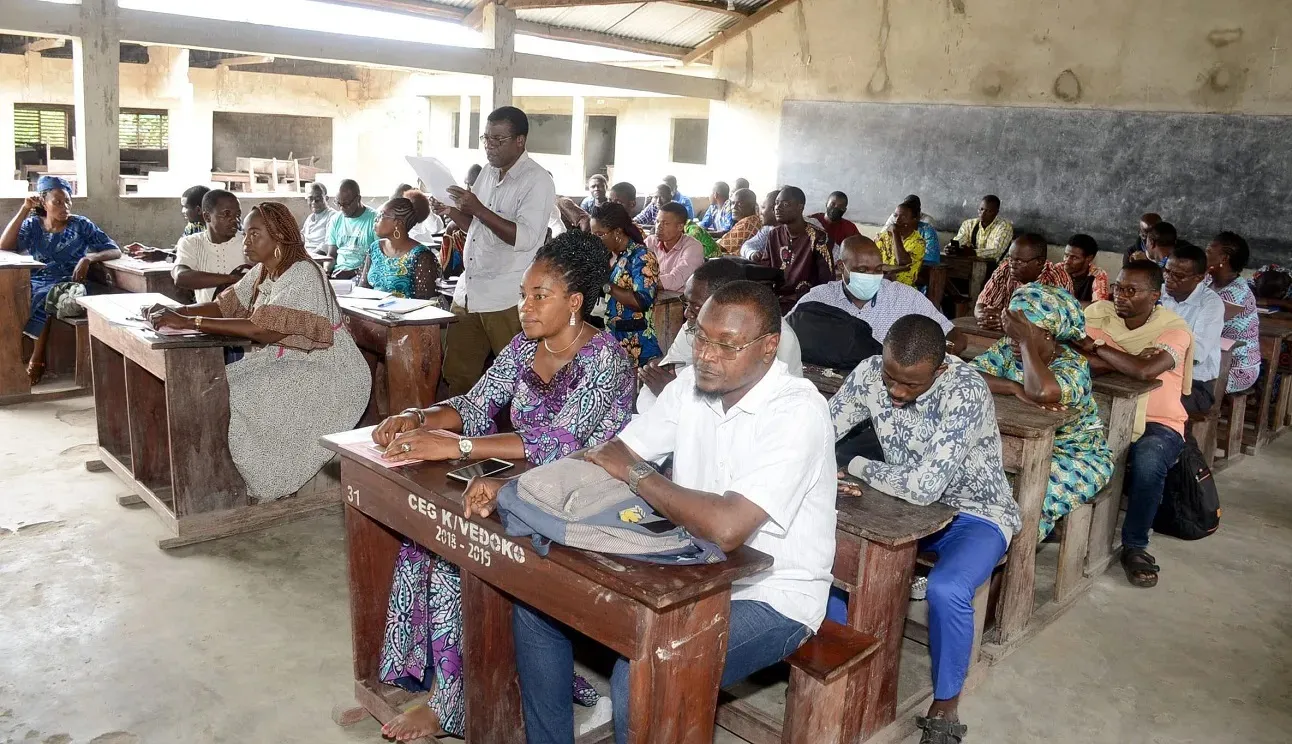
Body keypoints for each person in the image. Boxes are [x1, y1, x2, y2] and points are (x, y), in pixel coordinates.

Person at [477, 280, 836, 744]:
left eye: (726, 345)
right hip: (683, 563)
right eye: (700, 335)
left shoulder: (798, 412)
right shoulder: (691, 384)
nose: (706, 353)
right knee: (537, 603)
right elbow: (615, 451)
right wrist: (513, 486)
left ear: (769, 348)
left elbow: (727, 527)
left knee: (645, 674)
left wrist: (639, 476)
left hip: (771, 594)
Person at [368, 231, 634, 742]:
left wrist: (460, 448)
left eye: (540, 296)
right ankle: (454, 680)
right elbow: (475, 404)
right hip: (528, 484)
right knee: (427, 534)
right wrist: (417, 415)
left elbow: (559, 442)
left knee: (457, 550)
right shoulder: (522, 347)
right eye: (523, 295)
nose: (525, 307)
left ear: (575, 302)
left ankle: (453, 704)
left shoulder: (606, 359)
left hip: (587, 497)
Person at [828, 315, 1020, 744]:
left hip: (975, 513)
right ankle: (843, 657)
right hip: (895, 508)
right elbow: (820, 428)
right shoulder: (869, 374)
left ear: (942, 368)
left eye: (912, 386)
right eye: (890, 377)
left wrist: (855, 465)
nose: (896, 392)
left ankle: (946, 703)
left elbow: (924, 486)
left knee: (947, 590)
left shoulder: (966, 390)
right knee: (831, 559)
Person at [146, 202, 370, 501]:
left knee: (238, 395)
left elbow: (262, 330)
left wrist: (189, 321)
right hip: (291, 359)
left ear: (278, 237)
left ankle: (263, 484)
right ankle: (223, 478)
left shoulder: (303, 273)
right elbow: (225, 306)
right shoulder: (266, 269)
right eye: (245, 234)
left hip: (329, 372)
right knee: (217, 386)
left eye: (255, 234)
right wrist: (176, 310)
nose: (246, 241)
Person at [1076, 261, 1193, 588]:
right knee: (1064, 444)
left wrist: (1099, 348)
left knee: (1148, 461)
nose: (1120, 296)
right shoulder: (1099, 314)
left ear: (1155, 295)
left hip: (1160, 421)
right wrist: (1128, 360)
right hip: (1099, 411)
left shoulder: (1175, 329)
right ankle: (1066, 523)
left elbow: (1145, 371)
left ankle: (1135, 545)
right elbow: (1075, 357)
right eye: (1118, 288)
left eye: (1131, 291)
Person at [971, 285, 1114, 540]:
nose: (1013, 339)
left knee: (1027, 500)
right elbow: (970, 376)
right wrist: (1012, 386)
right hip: (1017, 450)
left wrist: (1026, 342)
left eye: (1021, 333)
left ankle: (1005, 567)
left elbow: (1043, 392)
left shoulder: (1074, 366)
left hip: (1074, 456)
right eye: (1012, 331)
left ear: (1049, 334)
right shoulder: (1008, 349)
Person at [436, 106, 557, 397]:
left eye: (498, 140)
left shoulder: (537, 180)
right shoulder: (488, 173)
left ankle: (515, 440)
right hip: (470, 292)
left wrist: (477, 207)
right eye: (486, 138)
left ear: (520, 141)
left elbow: (525, 237)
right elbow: (478, 227)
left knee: (518, 381)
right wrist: (452, 211)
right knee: (458, 376)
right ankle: (457, 439)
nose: (490, 146)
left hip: (507, 296)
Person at [637, 257, 803, 413]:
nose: (687, 313)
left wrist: (673, 392)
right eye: (686, 303)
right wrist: (672, 391)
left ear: (725, 302)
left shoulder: (777, 339)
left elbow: (753, 406)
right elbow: (661, 374)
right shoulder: (695, 324)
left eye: (695, 306)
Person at [1, 175, 120, 384]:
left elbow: (114, 250)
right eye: (57, 202)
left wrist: (88, 258)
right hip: (39, 278)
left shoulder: (81, 225)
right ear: (43, 202)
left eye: (67, 201)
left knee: (44, 296)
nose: (65, 207)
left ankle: (37, 360)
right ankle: (13, 358)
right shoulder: (33, 226)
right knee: (14, 296)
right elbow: (5, 245)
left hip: (70, 282)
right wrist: (24, 209)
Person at [793, 235, 966, 354]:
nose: (871, 276)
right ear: (840, 267)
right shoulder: (820, 299)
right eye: (862, 270)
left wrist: (943, 352)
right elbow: (786, 333)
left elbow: (954, 335)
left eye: (878, 270)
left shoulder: (903, 297)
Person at [590, 203, 661, 365]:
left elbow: (640, 301)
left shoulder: (642, 256)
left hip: (634, 342)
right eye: (592, 234)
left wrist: (605, 284)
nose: (595, 239)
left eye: (600, 234)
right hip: (609, 338)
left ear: (617, 232)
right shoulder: (608, 255)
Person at [1160, 244, 1224, 413]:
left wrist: (1153, 358)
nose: (1169, 278)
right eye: (1167, 271)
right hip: (1156, 373)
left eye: (1179, 275)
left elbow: (1197, 353)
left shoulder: (1211, 304)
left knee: (1155, 404)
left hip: (1194, 384)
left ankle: (1178, 438)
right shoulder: (1158, 293)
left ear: (1199, 278)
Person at [752, 186, 833, 312]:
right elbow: (766, 271)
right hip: (775, 302)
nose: (777, 208)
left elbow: (826, 283)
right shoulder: (774, 234)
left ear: (800, 207)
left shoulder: (818, 238)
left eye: (785, 204)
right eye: (776, 203)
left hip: (804, 305)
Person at [974, 233, 1073, 331]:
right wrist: (985, 317)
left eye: (1019, 261)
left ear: (1039, 262)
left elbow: (1061, 322)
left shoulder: (1058, 278)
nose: (1012, 265)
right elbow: (983, 302)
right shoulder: (1005, 269)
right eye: (1010, 259)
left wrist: (1010, 321)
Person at [1205, 231, 1261, 393]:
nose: (1204, 255)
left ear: (1224, 259)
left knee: (1178, 382)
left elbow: (1200, 325)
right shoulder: (1208, 280)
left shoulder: (1236, 294)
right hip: (1212, 359)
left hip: (1236, 367)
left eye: (1209, 251)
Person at [357, 191, 440, 299]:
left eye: (382, 215)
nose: (376, 220)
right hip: (372, 312)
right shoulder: (375, 248)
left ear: (398, 223)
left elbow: (424, 302)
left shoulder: (421, 256)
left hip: (405, 314)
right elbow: (363, 289)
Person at [173, 189, 248, 305]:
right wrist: (232, 279)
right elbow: (181, 277)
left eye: (238, 215)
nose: (235, 220)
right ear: (207, 217)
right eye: (226, 214)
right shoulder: (191, 243)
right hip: (206, 318)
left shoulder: (248, 242)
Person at [645, 202, 704, 293]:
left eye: (665, 223)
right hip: (653, 295)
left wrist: (642, 283)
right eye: (657, 222)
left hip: (681, 302)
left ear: (680, 227)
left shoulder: (693, 247)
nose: (658, 227)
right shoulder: (650, 242)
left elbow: (676, 279)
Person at [325, 179, 378, 279]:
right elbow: (331, 255)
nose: (341, 208)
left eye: (346, 204)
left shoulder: (374, 219)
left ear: (358, 199)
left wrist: (355, 272)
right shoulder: (336, 219)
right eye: (338, 203)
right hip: (338, 273)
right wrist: (326, 272)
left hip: (364, 275)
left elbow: (379, 259)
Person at [437, 164, 483, 280]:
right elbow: (445, 270)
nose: (467, 189)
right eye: (466, 184)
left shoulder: (492, 219)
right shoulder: (454, 228)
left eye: (471, 185)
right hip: (459, 284)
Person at [875, 199, 927, 286]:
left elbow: (902, 261)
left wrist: (895, 233)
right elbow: (873, 263)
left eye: (903, 217)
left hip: (903, 288)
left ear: (914, 220)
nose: (897, 220)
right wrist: (895, 269)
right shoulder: (884, 237)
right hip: (880, 284)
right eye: (895, 216)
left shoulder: (918, 242)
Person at [952, 195, 1012, 261]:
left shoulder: (1004, 226)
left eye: (988, 211)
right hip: (973, 265)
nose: (983, 213)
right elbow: (960, 239)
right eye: (981, 209)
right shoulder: (969, 224)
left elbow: (997, 251)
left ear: (996, 212)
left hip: (996, 268)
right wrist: (952, 247)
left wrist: (973, 252)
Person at [1062, 233, 1109, 303]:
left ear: (1089, 258)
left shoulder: (1097, 275)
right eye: (1066, 255)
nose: (1067, 261)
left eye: (1074, 258)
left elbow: (1098, 307)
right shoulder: (1057, 269)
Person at [738, 189, 783, 260]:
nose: (760, 213)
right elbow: (747, 246)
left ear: (774, 209)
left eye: (763, 207)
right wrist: (753, 254)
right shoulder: (768, 229)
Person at [717, 188, 762, 255]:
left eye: (740, 203)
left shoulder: (747, 223)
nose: (733, 207)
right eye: (732, 203)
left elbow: (720, 247)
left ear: (752, 205)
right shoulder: (754, 220)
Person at [301, 182, 337, 253]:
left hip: (319, 258)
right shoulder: (310, 218)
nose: (314, 202)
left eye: (318, 198)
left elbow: (328, 245)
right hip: (305, 255)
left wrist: (309, 258)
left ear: (326, 198)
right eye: (310, 199)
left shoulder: (333, 216)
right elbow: (301, 237)